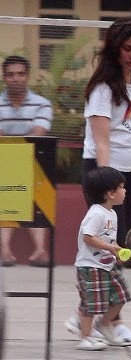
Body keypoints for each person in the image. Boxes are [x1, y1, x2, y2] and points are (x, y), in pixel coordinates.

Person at [67, 16, 131, 345]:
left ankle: (86, 318)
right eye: (127, 49)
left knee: (119, 247)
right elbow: (102, 140)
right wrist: (106, 189)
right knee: (109, 249)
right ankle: (110, 322)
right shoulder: (102, 89)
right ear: (114, 47)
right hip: (103, 170)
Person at [0, 55, 53, 267]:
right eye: (11, 75)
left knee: (35, 188)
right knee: (8, 186)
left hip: (34, 163)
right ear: (4, 77)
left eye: (21, 74)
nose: (16, 79)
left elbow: (38, 135)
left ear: (28, 77)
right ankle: (4, 251)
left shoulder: (42, 104)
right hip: (4, 163)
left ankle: (41, 251)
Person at [72, 166, 131, 351]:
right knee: (90, 304)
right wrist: (109, 248)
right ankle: (86, 337)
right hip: (90, 266)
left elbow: (108, 239)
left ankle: (103, 325)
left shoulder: (112, 213)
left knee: (121, 296)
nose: (125, 191)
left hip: (107, 265)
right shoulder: (96, 213)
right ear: (110, 193)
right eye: (121, 187)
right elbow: (88, 237)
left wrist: (117, 253)